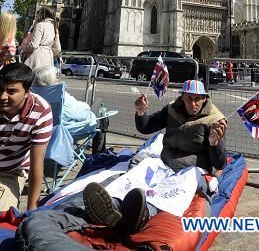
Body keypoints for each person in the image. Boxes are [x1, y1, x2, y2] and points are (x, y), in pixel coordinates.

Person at [83, 79, 227, 234]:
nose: (193, 104)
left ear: (204, 98)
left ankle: (143, 214)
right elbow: (147, 126)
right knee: (141, 169)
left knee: (173, 188)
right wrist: (141, 112)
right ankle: (114, 204)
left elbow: (219, 163)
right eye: (189, 99)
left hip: (192, 170)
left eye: (197, 99)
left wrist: (214, 144)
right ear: (183, 97)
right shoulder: (172, 109)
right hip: (166, 164)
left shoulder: (215, 120)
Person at [0, 62, 52, 211]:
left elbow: (37, 164)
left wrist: (31, 212)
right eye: (0, 89)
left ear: (27, 92)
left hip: (10, 171)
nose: (3, 96)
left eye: (11, 91)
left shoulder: (41, 111)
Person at [32, 66, 106, 154]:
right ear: (50, 80)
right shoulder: (60, 95)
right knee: (100, 110)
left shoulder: (33, 94)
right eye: (56, 76)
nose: (59, 78)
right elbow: (82, 114)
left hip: (43, 131)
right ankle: (99, 155)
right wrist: (84, 106)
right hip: (68, 131)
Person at [23, 7, 61, 73]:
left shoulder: (40, 25)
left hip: (36, 58)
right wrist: (48, 52)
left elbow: (34, 45)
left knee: (31, 80)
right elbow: (58, 49)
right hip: (48, 58)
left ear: (42, 14)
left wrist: (24, 48)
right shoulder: (54, 28)